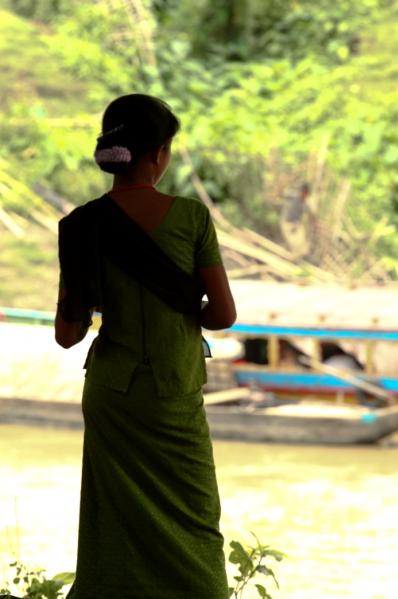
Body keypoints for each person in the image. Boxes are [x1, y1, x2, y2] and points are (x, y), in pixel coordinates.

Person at [55, 93, 236, 599]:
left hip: (112, 392)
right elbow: (224, 315)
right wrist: (185, 316)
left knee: (112, 520)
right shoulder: (192, 217)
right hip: (174, 391)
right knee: (195, 517)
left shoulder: (80, 225)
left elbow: (67, 334)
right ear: (159, 154)